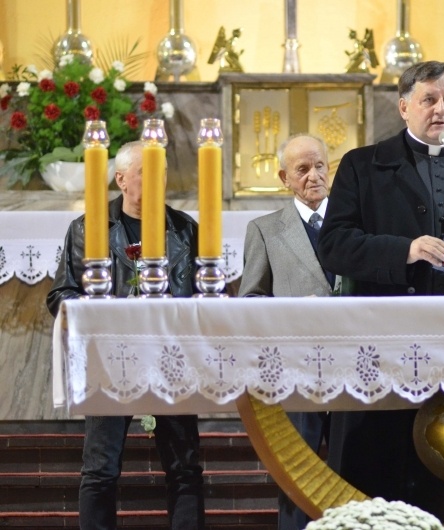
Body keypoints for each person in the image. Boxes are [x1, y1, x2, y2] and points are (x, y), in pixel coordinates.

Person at [317, 60, 444, 522]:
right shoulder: (362, 166)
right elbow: (334, 245)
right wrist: (405, 250)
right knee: (379, 470)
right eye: (429, 99)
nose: (441, 109)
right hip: (383, 342)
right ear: (403, 107)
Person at [46, 141, 205, 530]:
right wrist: (101, 314)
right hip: (111, 358)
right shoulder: (89, 228)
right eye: (146, 173)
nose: (159, 181)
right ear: (121, 179)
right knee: (100, 469)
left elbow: (206, 295)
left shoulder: (184, 229)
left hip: (171, 358)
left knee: (184, 467)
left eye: (163, 173)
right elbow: (61, 295)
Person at [238, 133, 334, 530]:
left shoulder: (355, 221)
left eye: (320, 166)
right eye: (302, 169)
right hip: (298, 371)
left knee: (355, 473)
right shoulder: (265, 229)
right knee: (299, 477)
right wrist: (292, 312)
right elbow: (251, 300)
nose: (314, 176)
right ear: (284, 178)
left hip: (357, 365)